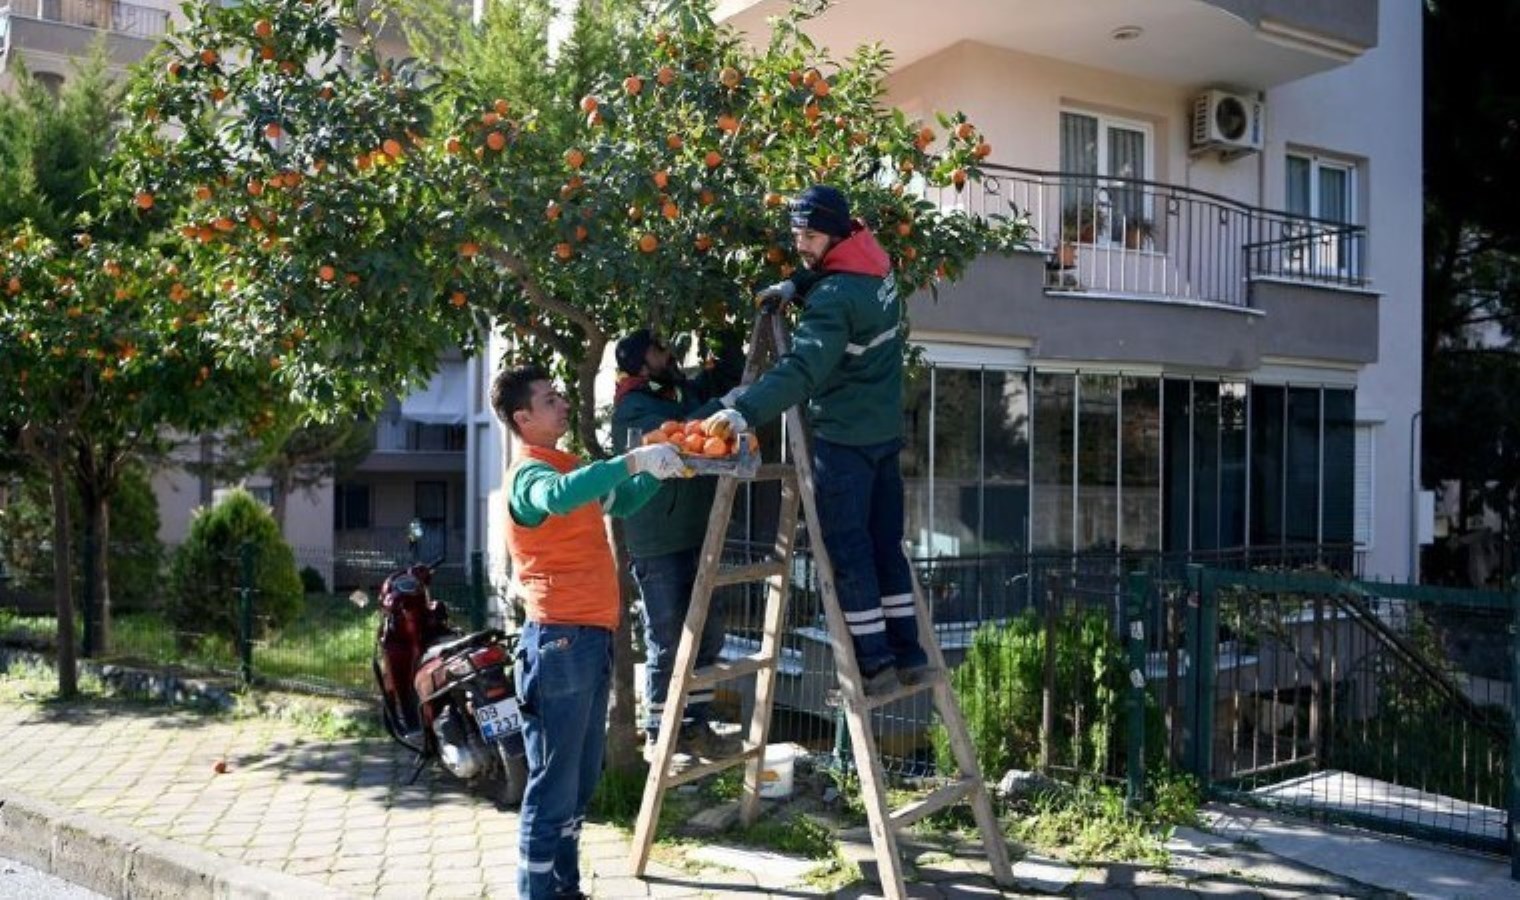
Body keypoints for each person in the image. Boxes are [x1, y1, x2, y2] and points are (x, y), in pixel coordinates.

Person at [705, 184, 933, 697]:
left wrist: (745, 410)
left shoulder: (832, 301)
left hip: (843, 440)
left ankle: (873, 662)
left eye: (809, 235)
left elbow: (803, 368)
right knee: (886, 546)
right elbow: (836, 273)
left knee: (849, 552)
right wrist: (796, 284)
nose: (801, 244)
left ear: (832, 231)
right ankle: (909, 652)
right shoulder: (877, 263)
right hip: (883, 433)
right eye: (796, 235)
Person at [491, 363, 688, 900]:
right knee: (554, 783)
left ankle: (565, 887)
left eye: (560, 394)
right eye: (549, 398)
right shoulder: (530, 475)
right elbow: (558, 497)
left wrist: (658, 472)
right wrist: (631, 460)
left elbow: (617, 500)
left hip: (587, 639)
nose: (561, 403)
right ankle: (536, 892)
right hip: (560, 641)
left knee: (578, 781)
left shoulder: (566, 465)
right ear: (522, 417)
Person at [610, 328, 744, 763]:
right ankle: (659, 731)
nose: (669, 352)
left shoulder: (678, 390)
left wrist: (723, 324)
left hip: (698, 530)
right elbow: (675, 436)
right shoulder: (633, 407)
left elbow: (725, 374)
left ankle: (694, 725)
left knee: (708, 633)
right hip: (658, 539)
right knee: (667, 636)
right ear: (640, 363)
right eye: (658, 349)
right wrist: (719, 408)